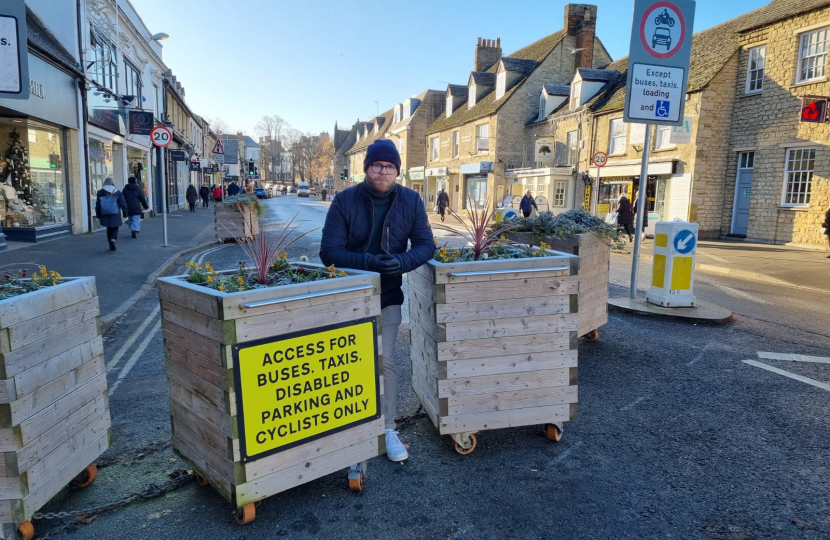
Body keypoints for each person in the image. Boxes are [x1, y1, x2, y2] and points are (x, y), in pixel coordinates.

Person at [320, 139, 433, 462]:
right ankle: (346, 429)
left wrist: (402, 262)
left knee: (384, 363)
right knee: (345, 364)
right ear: (366, 168)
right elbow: (328, 252)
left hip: (388, 295)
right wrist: (369, 263)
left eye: (390, 167)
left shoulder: (411, 201)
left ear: (397, 171)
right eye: (377, 166)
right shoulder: (344, 201)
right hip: (347, 297)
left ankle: (387, 428)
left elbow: (426, 245)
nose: (383, 172)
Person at [95, 178, 127, 251]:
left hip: (104, 213)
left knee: (108, 228)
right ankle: (113, 239)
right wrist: (125, 213)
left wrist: (98, 215)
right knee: (115, 227)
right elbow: (123, 203)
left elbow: (98, 205)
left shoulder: (100, 192)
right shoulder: (117, 192)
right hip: (115, 213)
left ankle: (110, 241)